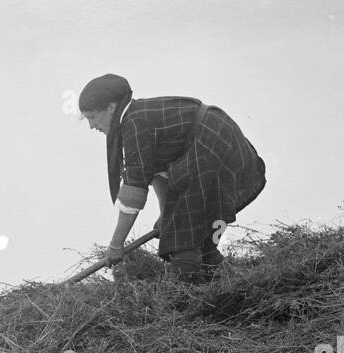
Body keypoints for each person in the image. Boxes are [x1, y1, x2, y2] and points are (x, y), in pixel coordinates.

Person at [78, 74, 266, 283]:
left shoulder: (135, 124)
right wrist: (165, 214)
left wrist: (116, 244)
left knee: (182, 236)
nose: (91, 126)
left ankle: (185, 293)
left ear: (111, 107)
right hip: (214, 141)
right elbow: (159, 172)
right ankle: (218, 280)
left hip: (211, 144)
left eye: (92, 117)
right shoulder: (137, 117)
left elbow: (134, 192)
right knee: (194, 231)